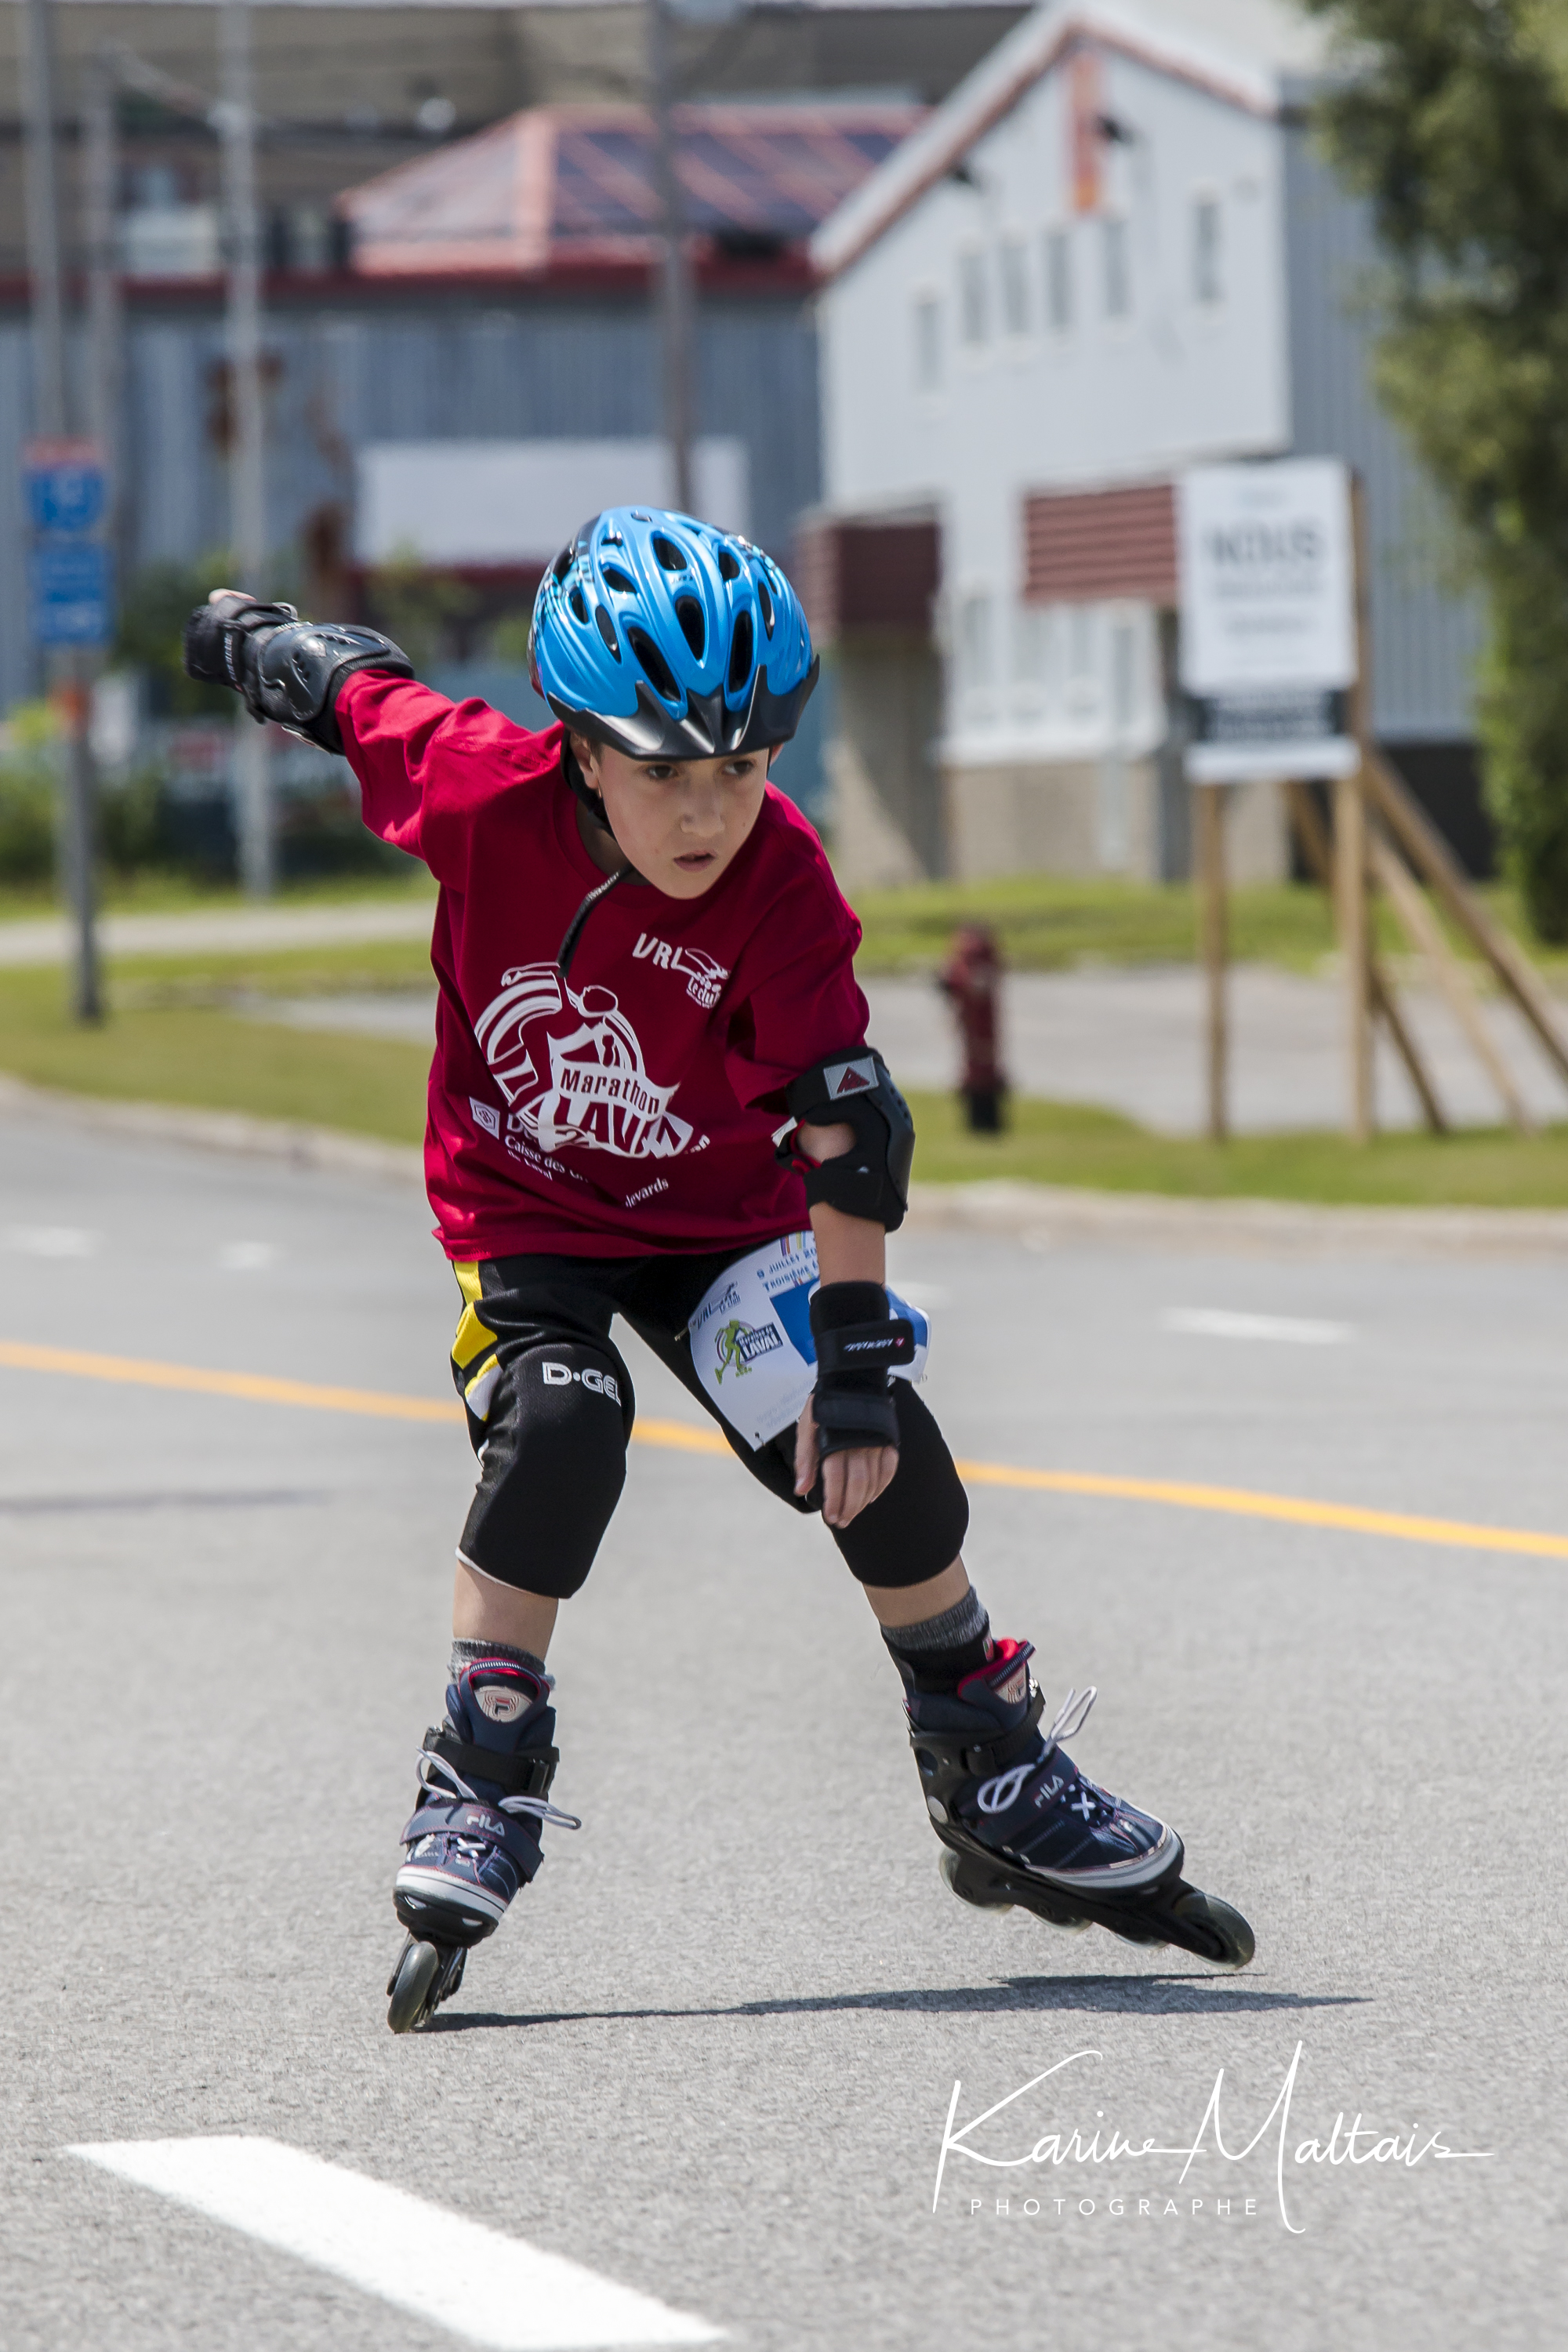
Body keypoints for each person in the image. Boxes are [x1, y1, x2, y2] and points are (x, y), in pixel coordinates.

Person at [183, 509, 1251, 2030]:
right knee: (560, 1425)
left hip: (724, 1225)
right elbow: (357, 689)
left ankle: (984, 1761)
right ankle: (482, 1765)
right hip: (527, 1213)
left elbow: (845, 1130)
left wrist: (862, 1365)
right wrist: (256, 642)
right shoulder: (482, 790)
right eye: (668, 771)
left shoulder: (784, 885)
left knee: (867, 1446)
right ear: (580, 751)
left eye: (744, 767)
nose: (709, 811)